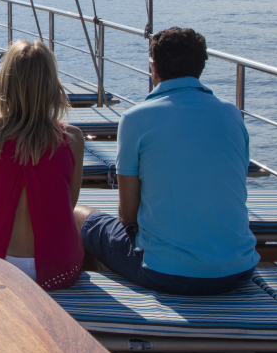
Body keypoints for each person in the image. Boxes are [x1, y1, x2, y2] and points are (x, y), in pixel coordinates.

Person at [75, 27, 258, 295]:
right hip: (238, 270)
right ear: (201, 67)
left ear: (154, 67)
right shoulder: (232, 115)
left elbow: (127, 215)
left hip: (166, 273)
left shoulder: (136, 119)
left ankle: (91, 302)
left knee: (78, 215)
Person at [0, 40, 85, 290]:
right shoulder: (72, 139)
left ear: (4, 82)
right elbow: (67, 205)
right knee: (84, 215)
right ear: (51, 87)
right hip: (55, 269)